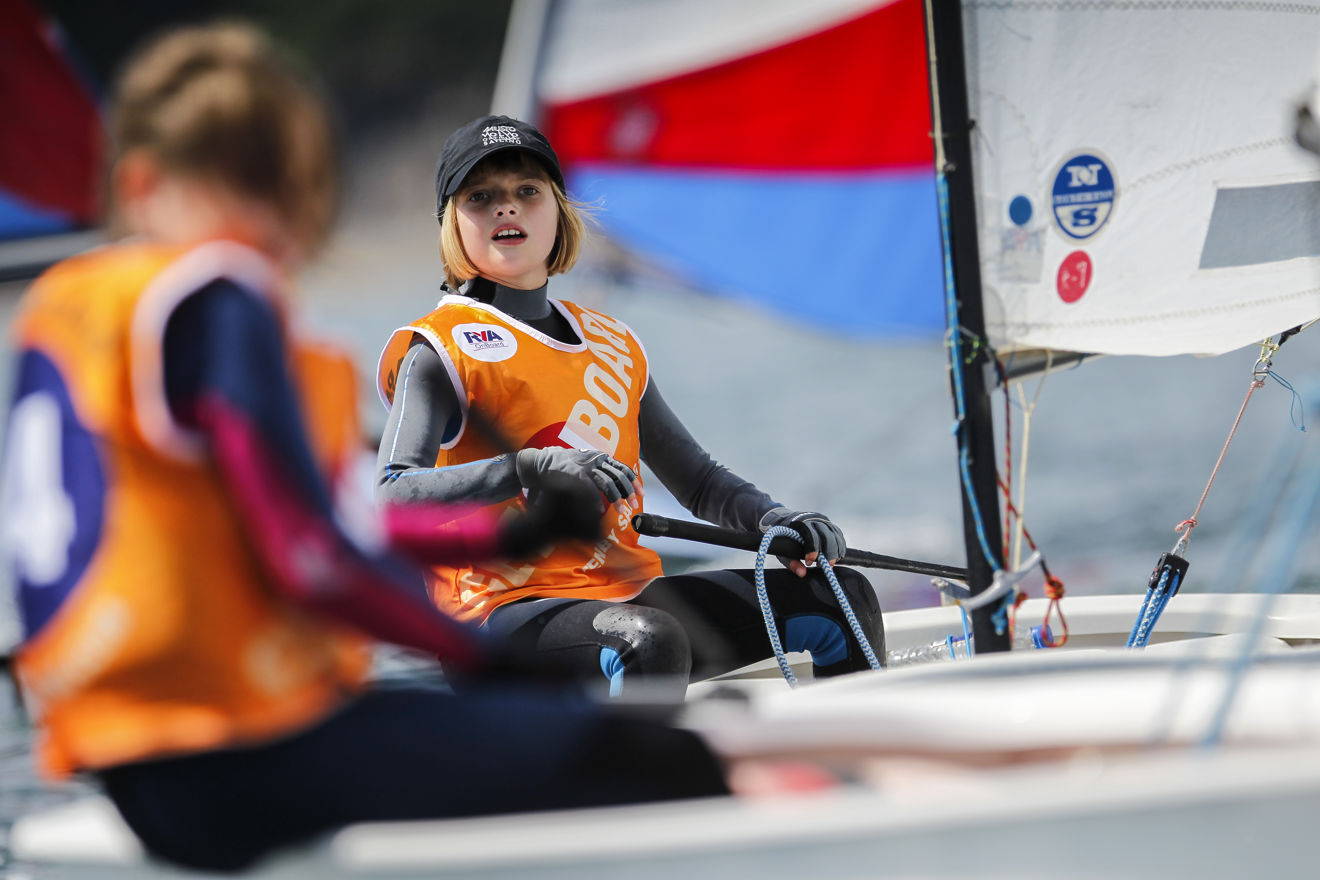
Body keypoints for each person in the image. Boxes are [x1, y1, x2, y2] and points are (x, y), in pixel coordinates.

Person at [0, 25, 728, 873]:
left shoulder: (66, 309)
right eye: (262, 189)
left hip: (121, 759)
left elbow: (327, 522)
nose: (277, 226)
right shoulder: (222, 299)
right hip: (239, 754)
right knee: (658, 756)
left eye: (287, 192)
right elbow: (316, 558)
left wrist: (513, 533)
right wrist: (488, 660)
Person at [375, 114, 885, 702]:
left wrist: (775, 520)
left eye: (527, 191)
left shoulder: (613, 342)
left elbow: (699, 482)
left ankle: (857, 758)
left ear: (559, 210)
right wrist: (527, 466)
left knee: (843, 597)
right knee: (649, 640)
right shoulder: (438, 349)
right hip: (500, 616)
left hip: (625, 596)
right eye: (480, 197)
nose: (506, 207)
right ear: (451, 223)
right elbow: (393, 494)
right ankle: (638, 764)